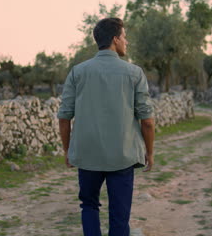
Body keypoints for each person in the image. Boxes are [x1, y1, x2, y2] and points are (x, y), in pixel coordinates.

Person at [57, 17, 155, 236]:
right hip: (123, 156)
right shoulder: (134, 73)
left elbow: (64, 117)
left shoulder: (77, 72)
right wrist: (149, 152)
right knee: (120, 213)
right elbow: (147, 121)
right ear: (114, 39)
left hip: (87, 155)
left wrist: (67, 150)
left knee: (89, 205)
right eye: (124, 37)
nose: (126, 42)